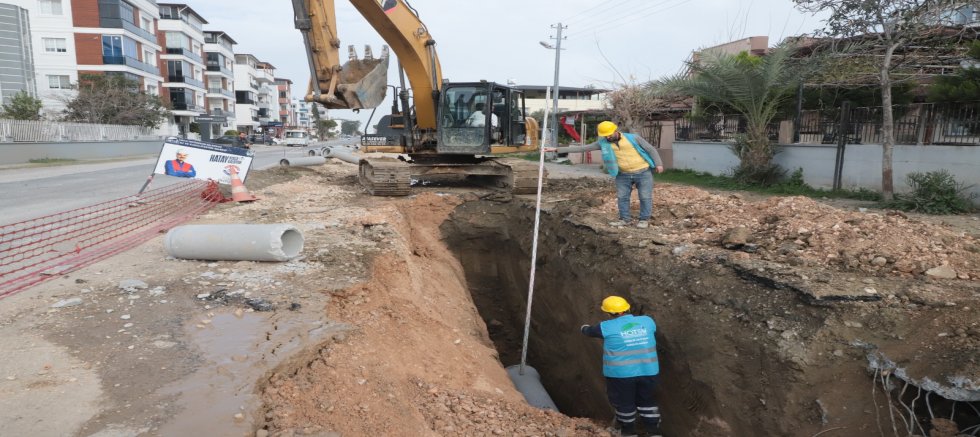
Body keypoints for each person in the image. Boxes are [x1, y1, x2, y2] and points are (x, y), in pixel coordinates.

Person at [555, 121, 664, 228]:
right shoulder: (603, 143)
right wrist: (557, 149)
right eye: (605, 136)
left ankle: (644, 220)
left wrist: (658, 164)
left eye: (609, 134)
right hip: (622, 174)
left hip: (643, 172)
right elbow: (583, 148)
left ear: (615, 131)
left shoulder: (633, 138)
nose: (607, 137)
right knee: (622, 197)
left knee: (645, 197)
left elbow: (650, 149)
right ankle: (624, 219)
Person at [581, 296, 661, 437]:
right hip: (649, 371)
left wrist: (583, 328)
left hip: (621, 375)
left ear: (609, 313)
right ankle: (653, 432)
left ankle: (628, 432)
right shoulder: (647, 321)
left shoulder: (606, 327)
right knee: (647, 401)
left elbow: (589, 331)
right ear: (627, 308)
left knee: (624, 403)